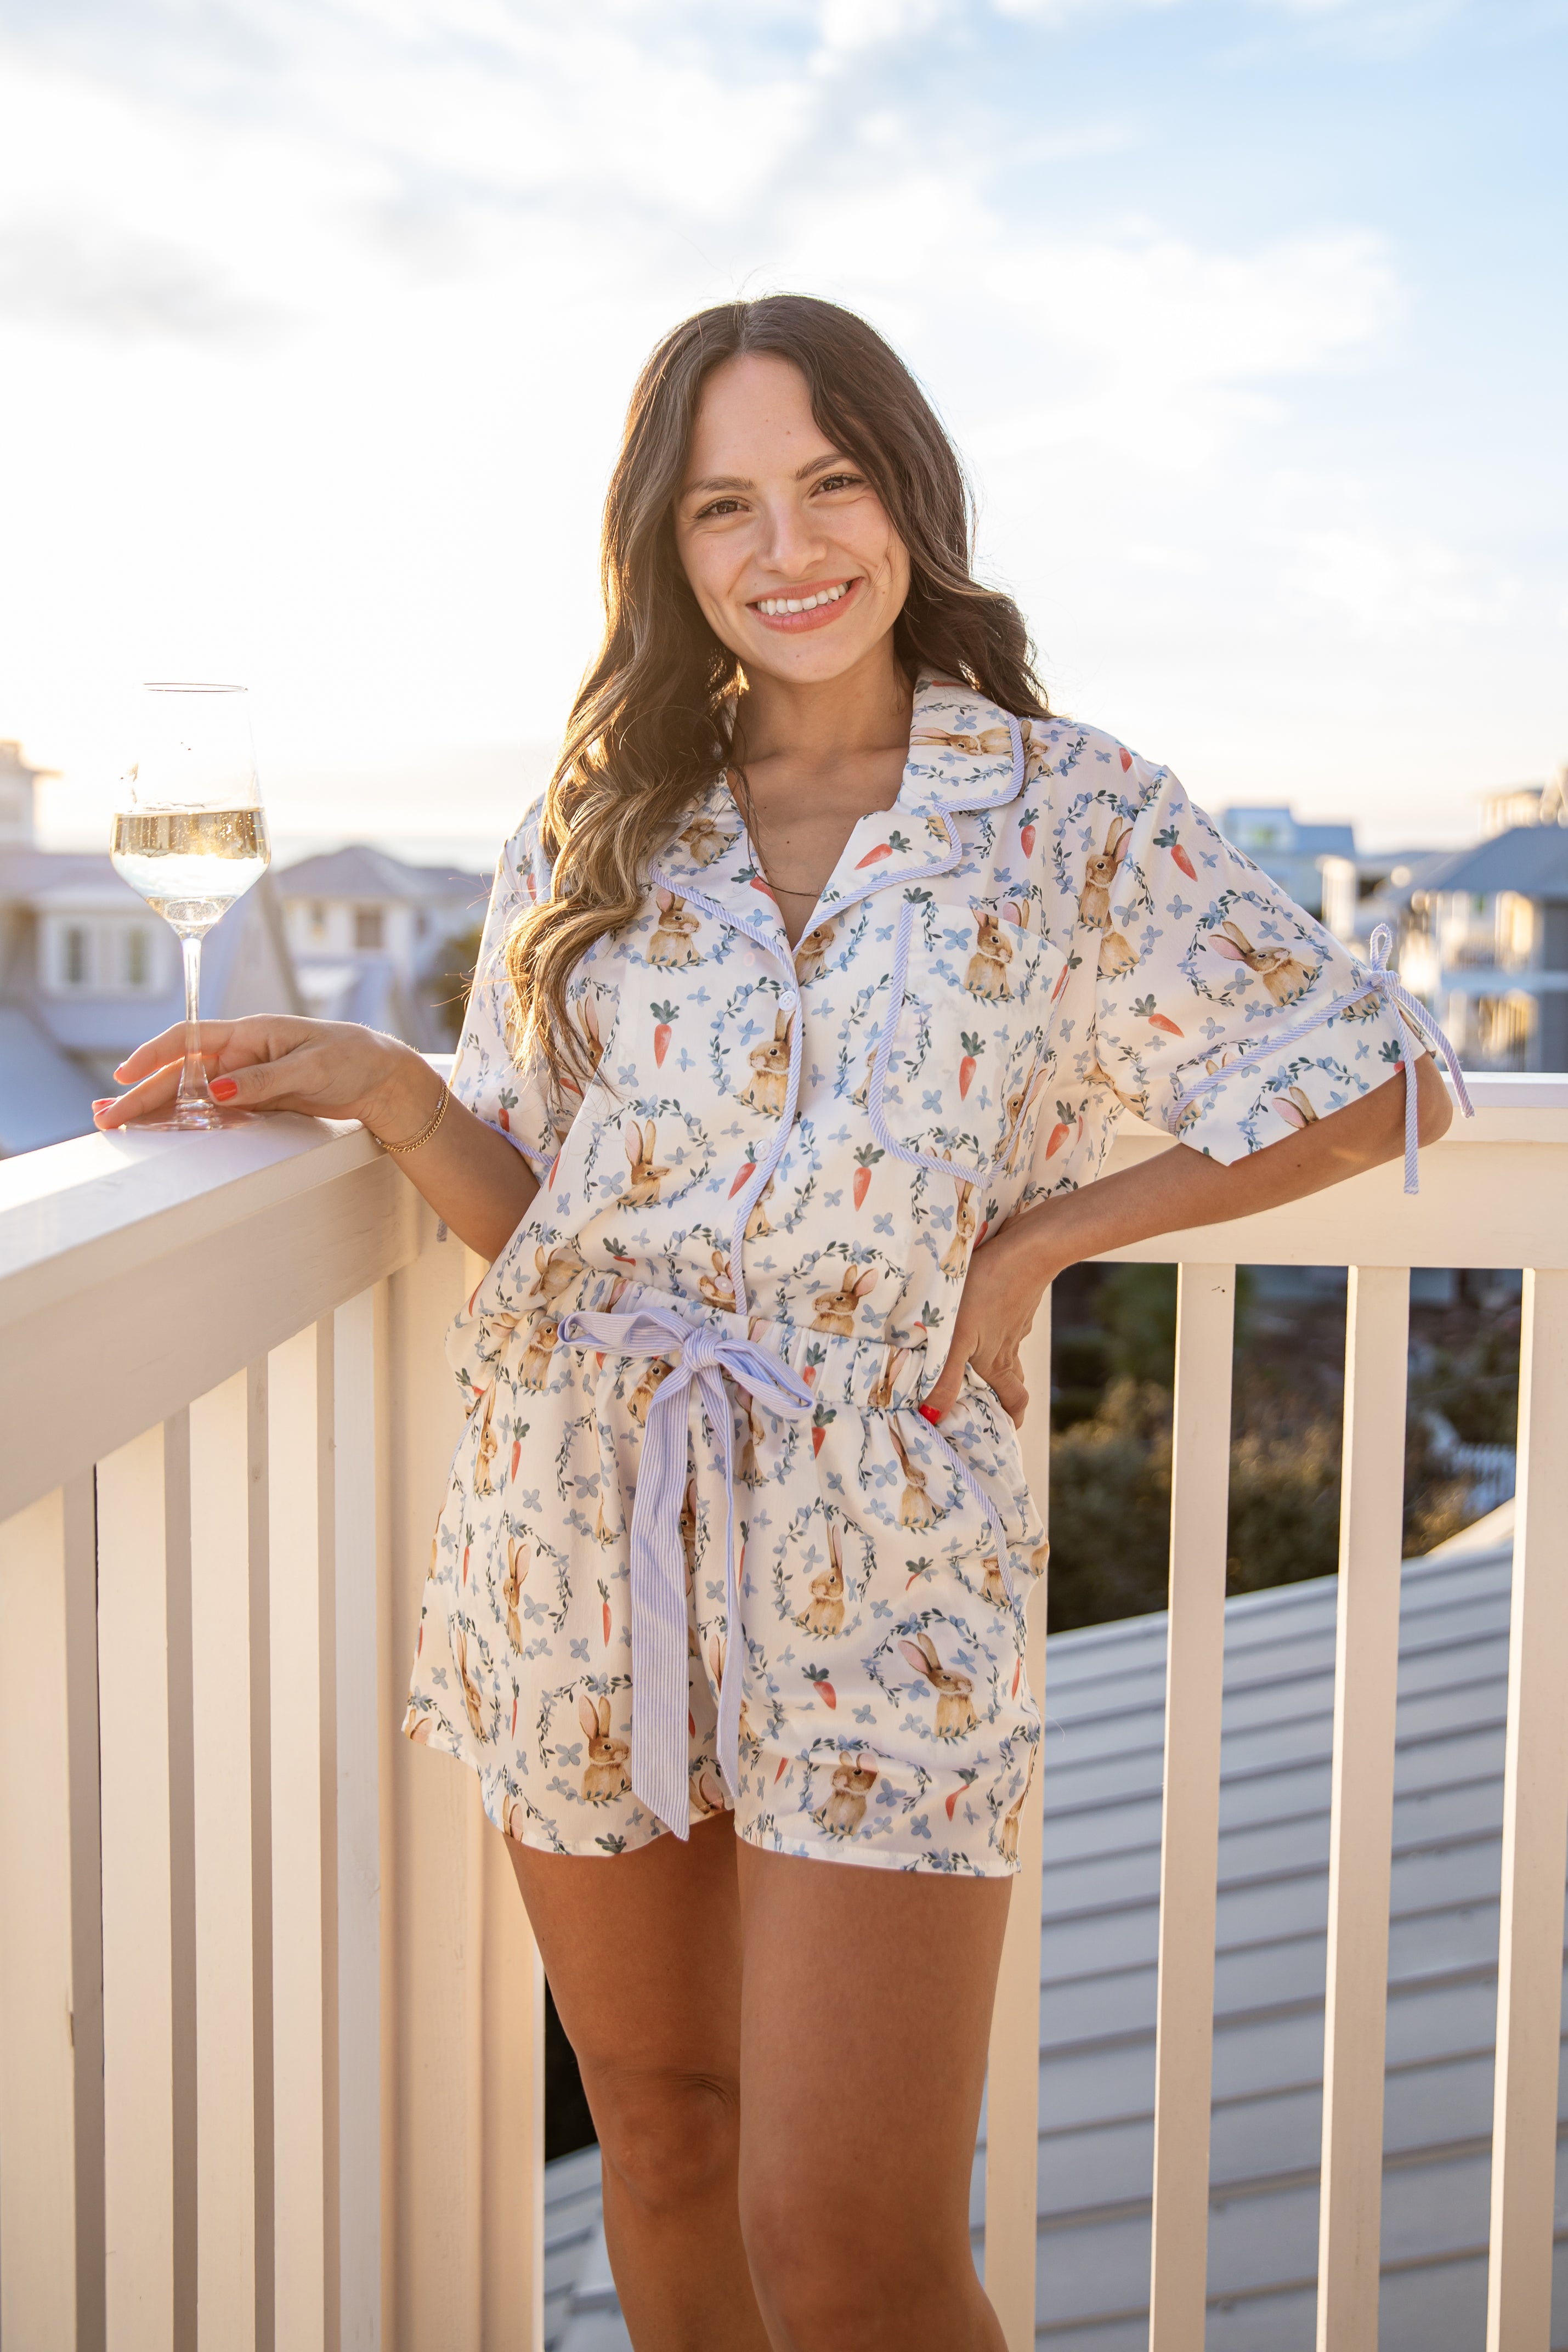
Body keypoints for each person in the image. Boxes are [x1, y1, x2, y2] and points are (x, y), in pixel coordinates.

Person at [98, 295, 1458, 2352]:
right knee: (658, 2131)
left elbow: (1385, 1082)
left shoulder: (1068, 811)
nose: (784, 544)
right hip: (579, 1532)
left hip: (889, 1557)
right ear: (666, 545)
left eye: (827, 481)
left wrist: (1034, 1249)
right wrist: (389, 1094)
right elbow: (549, 1219)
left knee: (847, 2239)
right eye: (724, 503)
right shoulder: (602, 814)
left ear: (905, 497)